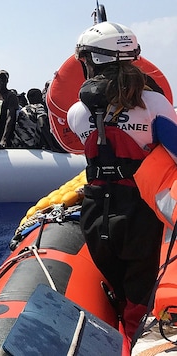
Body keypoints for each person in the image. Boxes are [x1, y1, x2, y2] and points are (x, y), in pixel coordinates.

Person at [63, 21, 177, 342]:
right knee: (142, 300)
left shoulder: (77, 112)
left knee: (118, 293)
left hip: (96, 217)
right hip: (141, 218)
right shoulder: (154, 104)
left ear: (95, 60)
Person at [0, 70, 19, 148]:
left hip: (6, 136)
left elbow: (10, 117)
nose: (2, 81)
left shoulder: (11, 96)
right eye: (0, 79)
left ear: (7, 80)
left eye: (4, 79)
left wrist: (4, 138)